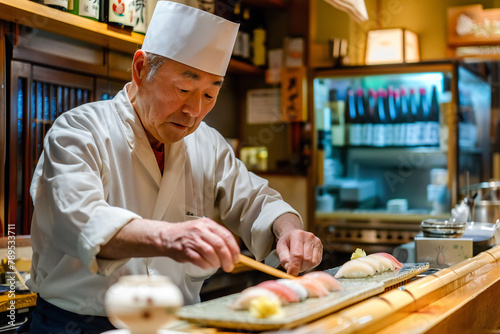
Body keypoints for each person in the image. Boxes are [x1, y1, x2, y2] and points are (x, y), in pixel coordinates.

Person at [20, 2, 323, 333]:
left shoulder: (207, 143)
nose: (194, 110)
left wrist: (290, 230)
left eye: (209, 95)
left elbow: (257, 200)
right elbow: (80, 222)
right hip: (76, 323)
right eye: (184, 89)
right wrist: (169, 236)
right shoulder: (78, 131)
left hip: (176, 324)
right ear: (140, 69)